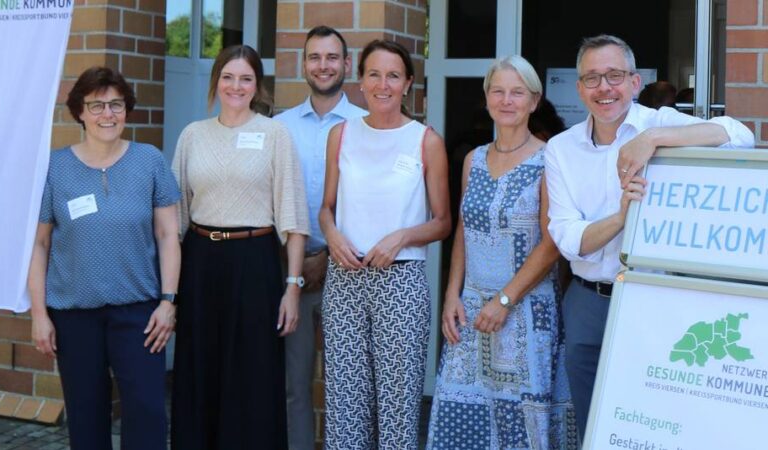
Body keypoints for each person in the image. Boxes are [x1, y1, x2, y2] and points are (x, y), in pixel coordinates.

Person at [544, 34, 755, 441]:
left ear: (635, 82)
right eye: (592, 78)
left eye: (615, 76)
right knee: (593, 423)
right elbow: (568, 238)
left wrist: (652, 139)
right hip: (588, 301)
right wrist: (623, 216)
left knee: (653, 418)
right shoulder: (560, 149)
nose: (605, 88)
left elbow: (738, 134)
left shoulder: (657, 123)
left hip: (653, 297)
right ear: (579, 88)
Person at [426, 55, 576, 450]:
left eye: (517, 92)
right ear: (487, 98)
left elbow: (552, 242)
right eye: (498, 91)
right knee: (463, 416)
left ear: (534, 101)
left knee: (519, 424)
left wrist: (506, 299)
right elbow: (463, 228)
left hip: (526, 311)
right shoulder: (474, 159)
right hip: (472, 308)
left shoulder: (551, 158)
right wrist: (451, 295)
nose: (506, 100)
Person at [28, 66, 180, 450]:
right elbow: (40, 244)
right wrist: (39, 315)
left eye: (115, 105)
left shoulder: (150, 161)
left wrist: (168, 301)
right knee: (86, 417)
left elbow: (167, 235)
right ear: (79, 111)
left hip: (140, 314)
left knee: (147, 414)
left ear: (127, 110)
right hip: (74, 315)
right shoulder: (54, 168)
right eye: (96, 106)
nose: (107, 115)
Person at [170, 45, 309, 450]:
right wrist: (170, 291)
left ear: (257, 86)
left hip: (255, 263)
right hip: (200, 260)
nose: (236, 86)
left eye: (245, 78)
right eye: (228, 77)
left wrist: (293, 287)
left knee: (253, 375)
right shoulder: (192, 135)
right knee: (200, 371)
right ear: (216, 81)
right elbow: (174, 219)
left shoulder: (274, 134)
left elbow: (293, 217)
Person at [319, 39, 451, 449]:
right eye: (374, 74)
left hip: (401, 285)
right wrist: (333, 235)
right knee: (344, 407)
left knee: (397, 409)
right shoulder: (340, 135)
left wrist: (402, 236)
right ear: (360, 80)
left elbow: (444, 221)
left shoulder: (425, 140)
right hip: (344, 281)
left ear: (408, 84)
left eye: (393, 76)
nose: (383, 84)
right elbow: (326, 208)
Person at [274, 25, 366, 450]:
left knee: (349, 386)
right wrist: (294, 264)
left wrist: (327, 257)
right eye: (315, 57)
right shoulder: (280, 127)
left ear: (346, 65)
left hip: (352, 269)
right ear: (303, 64)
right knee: (293, 383)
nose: (323, 65)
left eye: (332, 57)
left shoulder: (366, 126)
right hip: (289, 272)